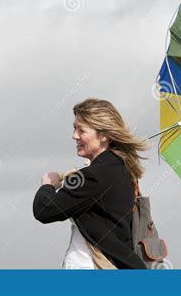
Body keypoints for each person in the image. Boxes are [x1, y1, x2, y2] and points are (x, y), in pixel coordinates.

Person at [33, 98, 149, 269]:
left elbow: (44, 210)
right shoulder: (122, 169)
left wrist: (48, 184)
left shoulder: (94, 176)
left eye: (82, 130)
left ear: (103, 135)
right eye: (74, 128)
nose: (74, 135)